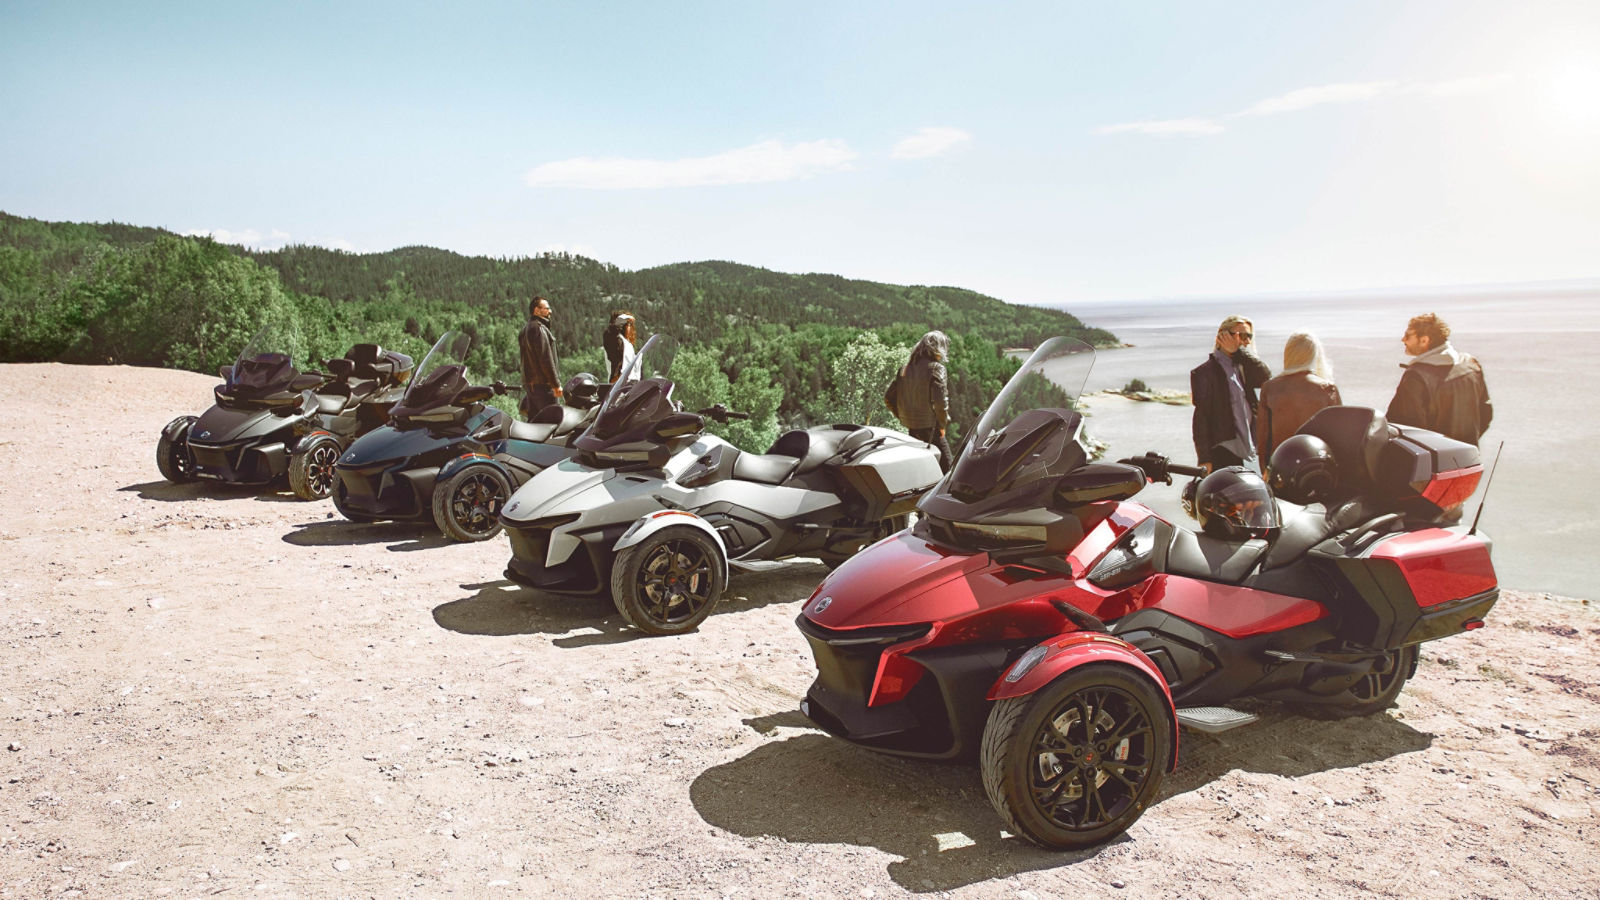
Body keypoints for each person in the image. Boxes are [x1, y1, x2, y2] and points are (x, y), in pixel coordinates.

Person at [1386, 312, 1493, 445]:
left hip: (1435, 461)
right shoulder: (1470, 364)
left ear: (1424, 340)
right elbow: (1486, 414)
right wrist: (1464, 446)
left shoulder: (1417, 376)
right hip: (1469, 459)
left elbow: (1404, 428)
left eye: (1408, 336)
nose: (1403, 339)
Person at [1190, 314, 1272, 473]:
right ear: (1223, 336)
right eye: (1242, 336)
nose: (1247, 341)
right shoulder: (1203, 373)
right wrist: (1204, 458)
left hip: (1252, 450)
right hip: (1224, 451)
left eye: (1249, 336)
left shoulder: (1244, 367)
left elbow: (1266, 377)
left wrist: (1240, 352)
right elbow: (1201, 418)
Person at [1255, 330, 1342, 460]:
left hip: (1281, 463)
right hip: (1318, 463)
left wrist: (1265, 470)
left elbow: (1263, 438)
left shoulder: (1270, 388)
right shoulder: (1327, 389)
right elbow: (1338, 435)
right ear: (1314, 355)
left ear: (1288, 354)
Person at [885, 331, 953, 472]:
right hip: (932, 430)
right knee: (949, 474)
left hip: (911, 431)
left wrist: (904, 418)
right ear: (938, 349)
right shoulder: (936, 368)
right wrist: (942, 424)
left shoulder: (905, 369)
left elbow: (888, 398)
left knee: (922, 473)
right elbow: (940, 402)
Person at [518, 296, 562, 418]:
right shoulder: (539, 328)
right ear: (537, 310)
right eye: (547, 308)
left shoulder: (525, 329)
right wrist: (556, 384)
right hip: (543, 387)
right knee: (552, 422)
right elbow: (545, 359)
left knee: (535, 423)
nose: (550, 311)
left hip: (531, 387)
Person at [603, 312, 638, 383]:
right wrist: (616, 324)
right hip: (618, 386)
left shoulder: (628, 345)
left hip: (633, 388)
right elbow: (610, 335)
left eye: (631, 325)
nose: (631, 328)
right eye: (627, 324)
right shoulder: (616, 341)